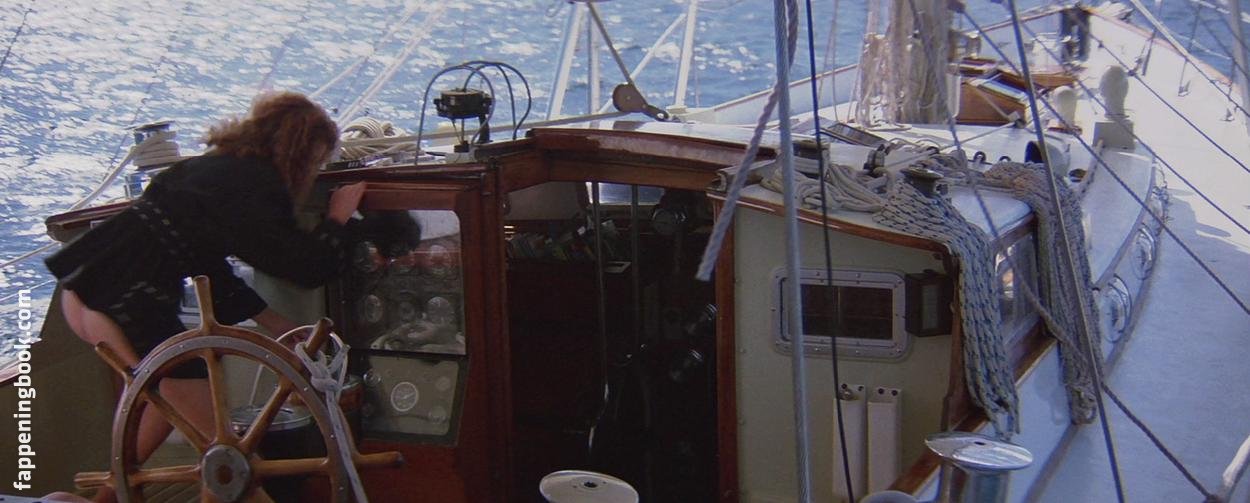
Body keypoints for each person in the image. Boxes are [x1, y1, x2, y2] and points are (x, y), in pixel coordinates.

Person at [44, 91, 365, 503]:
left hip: (84, 289)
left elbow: (208, 270)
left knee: (165, 401)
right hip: (123, 300)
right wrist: (338, 218)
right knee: (226, 452)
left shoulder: (208, 168)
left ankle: (103, 500)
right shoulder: (255, 184)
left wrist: (279, 326)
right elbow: (305, 267)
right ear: (301, 152)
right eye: (316, 161)